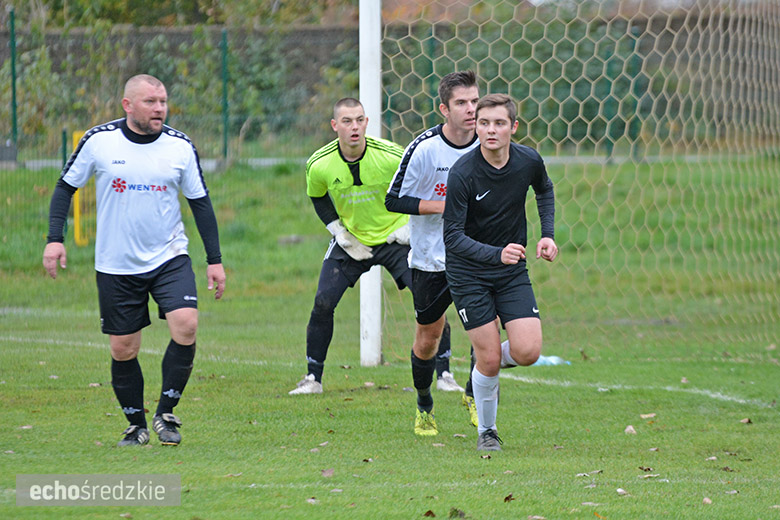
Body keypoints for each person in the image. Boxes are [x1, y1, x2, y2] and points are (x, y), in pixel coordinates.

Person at [42, 74, 226, 447]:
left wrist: (214, 259)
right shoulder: (99, 141)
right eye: (150, 102)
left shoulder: (179, 146)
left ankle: (166, 414)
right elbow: (65, 187)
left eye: (163, 101)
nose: (160, 108)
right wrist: (54, 240)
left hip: (169, 256)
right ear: (128, 105)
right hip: (116, 263)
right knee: (124, 347)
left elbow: (200, 203)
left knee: (186, 324)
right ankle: (135, 425)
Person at [443, 93, 558, 451]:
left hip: (510, 271)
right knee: (491, 359)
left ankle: (480, 366)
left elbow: (545, 189)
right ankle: (487, 432)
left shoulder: (528, 160)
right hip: (469, 273)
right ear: (475, 125)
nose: (490, 130)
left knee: (528, 352)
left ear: (513, 127)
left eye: (499, 123)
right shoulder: (463, 172)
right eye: (483, 122)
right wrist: (497, 253)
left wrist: (547, 235)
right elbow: (452, 237)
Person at [289, 98, 411, 395]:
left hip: (396, 237)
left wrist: (412, 227)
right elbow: (317, 197)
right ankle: (312, 379)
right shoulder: (319, 164)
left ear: (367, 122)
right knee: (323, 301)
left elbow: (421, 184)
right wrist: (338, 232)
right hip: (352, 240)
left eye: (359, 120)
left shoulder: (393, 156)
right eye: (347, 121)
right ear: (335, 126)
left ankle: (444, 374)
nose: (354, 127)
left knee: (429, 299)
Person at [386, 71, 482, 435]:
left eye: (474, 101)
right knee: (428, 338)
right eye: (461, 103)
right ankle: (424, 404)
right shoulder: (424, 149)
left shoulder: (487, 143)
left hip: (476, 257)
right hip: (431, 259)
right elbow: (393, 200)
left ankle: (475, 397)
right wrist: (442, 206)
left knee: (484, 333)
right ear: (444, 108)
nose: (471, 109)